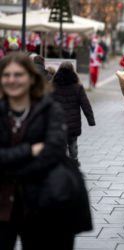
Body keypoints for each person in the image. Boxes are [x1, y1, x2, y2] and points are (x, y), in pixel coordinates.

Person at [0, 52, 92, 250]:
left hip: (40, 202)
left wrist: (9, 165)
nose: (12, 80)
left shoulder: (49, 109)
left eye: (18, 74)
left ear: (31, 78)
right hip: (3, 204)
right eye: (6, 75)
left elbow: (53, 151)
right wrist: (29, 151)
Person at [52, 62, 95, 165]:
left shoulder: (52, 87)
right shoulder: (78, 87)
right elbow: (86, 105)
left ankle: (61, 162)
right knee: (72, 143)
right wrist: (91, 120)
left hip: (57, 122)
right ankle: (74, 160)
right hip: (73, 123)